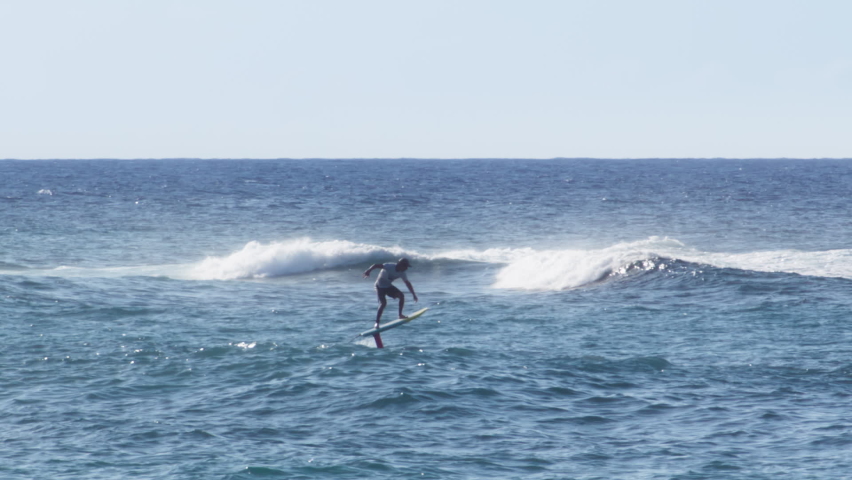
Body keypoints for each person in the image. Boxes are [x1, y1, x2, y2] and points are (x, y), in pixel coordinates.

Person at [363, 257, 418, 327]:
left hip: (388, 286)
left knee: (401, 296)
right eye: (405, 266)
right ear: (400, 265)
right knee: (383, 303)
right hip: (379, 287)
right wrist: (368, 271)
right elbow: (376, 265)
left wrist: (413, 294)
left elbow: (407, 283)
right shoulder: (389, 266)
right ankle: (377, 323)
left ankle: (400, 315)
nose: (406, 268)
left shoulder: (402, 273)